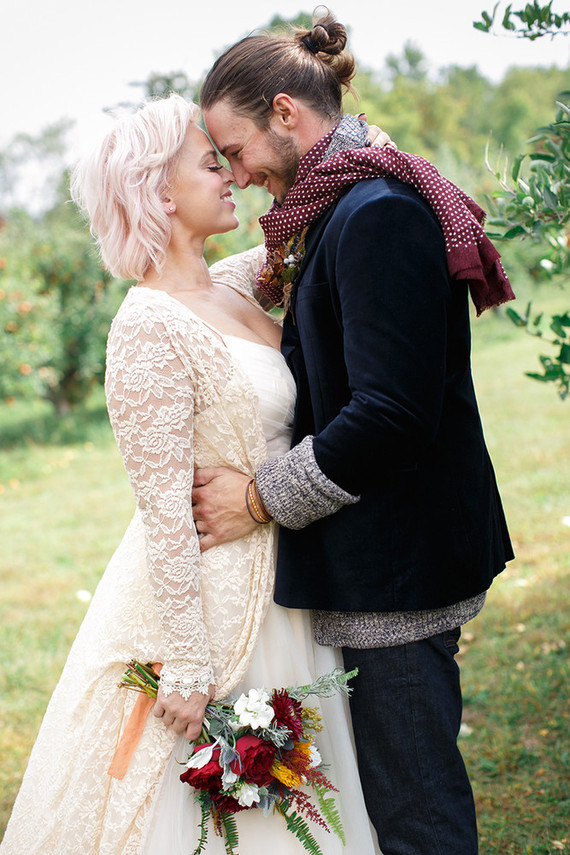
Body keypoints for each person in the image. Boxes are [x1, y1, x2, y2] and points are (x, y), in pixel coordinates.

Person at [0, 95, 380, 854]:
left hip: (291, 579)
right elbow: (164, 510)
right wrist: (187, 665)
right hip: (213, 607)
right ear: (161, 193)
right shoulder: (145, 326)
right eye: (213, 165)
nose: (233, 176)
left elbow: (316, 202)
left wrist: (349, 129)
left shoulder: (235, 284)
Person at [192, 10, 515, 855]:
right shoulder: (335, 205)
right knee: (394, 793)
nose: (236, 172)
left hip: (399, 570)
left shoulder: (375, 212)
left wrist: (262, 495)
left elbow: (392, 413)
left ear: (287, 116)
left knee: (415, 810)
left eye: (234, 150)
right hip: (381, 557)